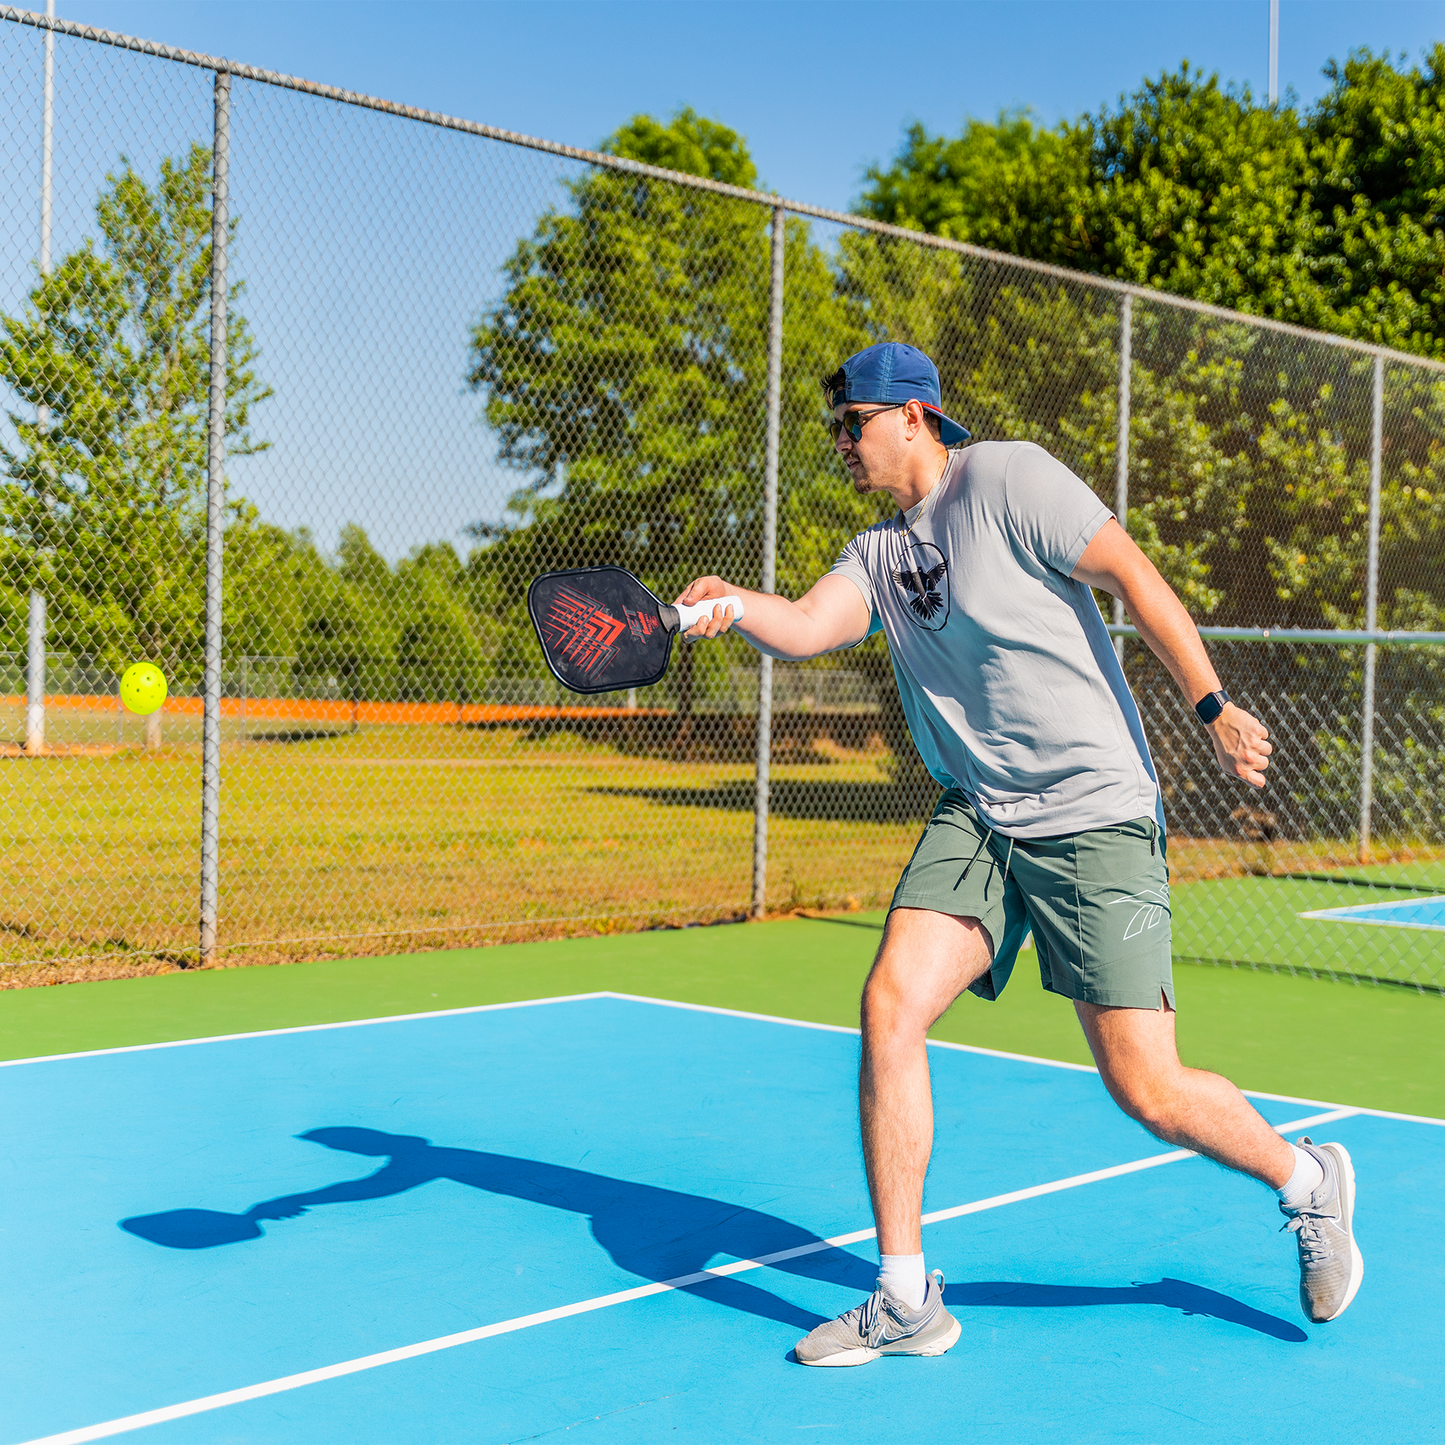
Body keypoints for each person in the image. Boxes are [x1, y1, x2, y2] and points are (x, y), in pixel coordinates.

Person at [676, 341, 1363, 1367]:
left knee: (1145, 1086)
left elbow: (1131, 572)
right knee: (888, 1004)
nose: (841, 441)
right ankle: (904, 1296)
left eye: (851, 420)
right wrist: (729, 604)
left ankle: (1308, 1178)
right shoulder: (877, 554)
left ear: (911, 414)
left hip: (1092, 811)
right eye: (833, 427)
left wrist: (1210, 702)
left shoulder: (1009, 477)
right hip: (982, 814)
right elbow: (811, 625)